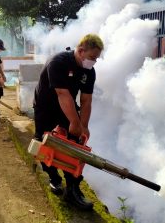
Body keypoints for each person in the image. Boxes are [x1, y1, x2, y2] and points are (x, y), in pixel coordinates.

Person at [33, 34, 104, 210]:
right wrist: (74, 121)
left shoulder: (89, 71)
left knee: (74, 146)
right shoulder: (58, 62)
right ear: (80, 51)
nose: (94, 62)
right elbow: (62, 94)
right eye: (92, 58)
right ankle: (53, 177)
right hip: (46, 106)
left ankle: (73, 190)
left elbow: (86, 100)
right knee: (42, 144)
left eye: (96, 59)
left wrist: (83, 125)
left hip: (68, 106)